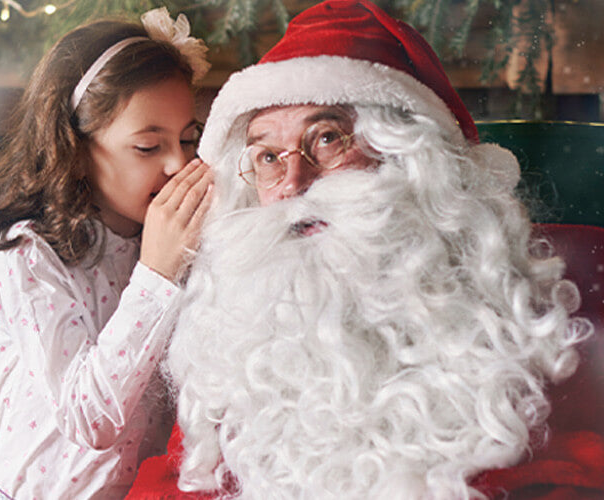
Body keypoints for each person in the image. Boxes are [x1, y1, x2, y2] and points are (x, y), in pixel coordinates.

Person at [136, 1, 597, 498]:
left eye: (328, 138)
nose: (292, 184)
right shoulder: (240, 335)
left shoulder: (512, 328)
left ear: (410, 161)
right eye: (268, 156)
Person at [0, 8, 214, 499]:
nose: (179, 163)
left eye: (187, 139)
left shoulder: (160, 242)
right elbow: (89, 418)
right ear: (75, 149)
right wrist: (157, 273)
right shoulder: (30, 256)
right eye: (147, 146)